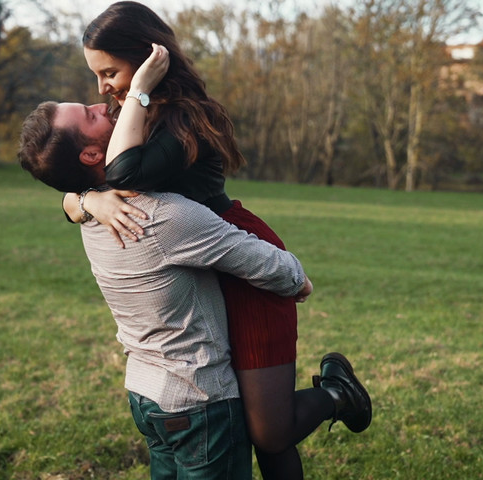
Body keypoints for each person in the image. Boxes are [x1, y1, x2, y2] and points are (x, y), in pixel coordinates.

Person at [59, 3, 371, 479]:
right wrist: (85, 201)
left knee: (270, 432)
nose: (103, 88)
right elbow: (78, 180)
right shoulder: (128, 112)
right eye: (97, 76)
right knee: (243, 420)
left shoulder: (184, 116)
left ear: (147, 59)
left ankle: (336, 393)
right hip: (194, 268)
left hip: (238, 255)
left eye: (110, 72)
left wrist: (139, 89)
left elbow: (123, 174)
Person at [18, 100, 315, 478]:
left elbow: (74, 200)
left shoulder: (90, 216)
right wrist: (297, 279)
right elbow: (264, 262)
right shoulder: (163, 215)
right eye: (90, 115)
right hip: (198, 402)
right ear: (91, 153)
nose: (102, 104)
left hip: (146, 397)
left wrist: (84, 197)